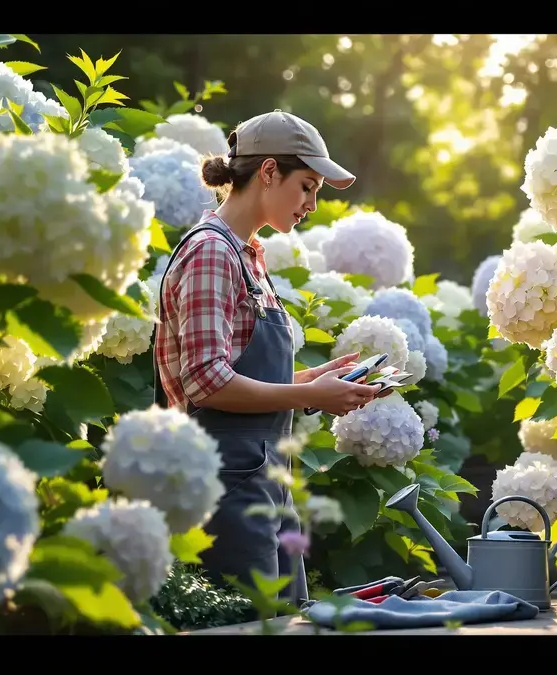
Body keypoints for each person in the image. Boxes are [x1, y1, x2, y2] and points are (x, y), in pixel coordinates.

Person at [152, 109, 381, 603]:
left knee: (286, 617)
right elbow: (206, 382)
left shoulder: (246, 252)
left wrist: (317, 381)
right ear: (269, 171)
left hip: (263, 481)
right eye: (307, 186)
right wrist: (308, 393)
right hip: (225, 488)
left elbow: (239, 367)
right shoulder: (211, 251)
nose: (312, 204)